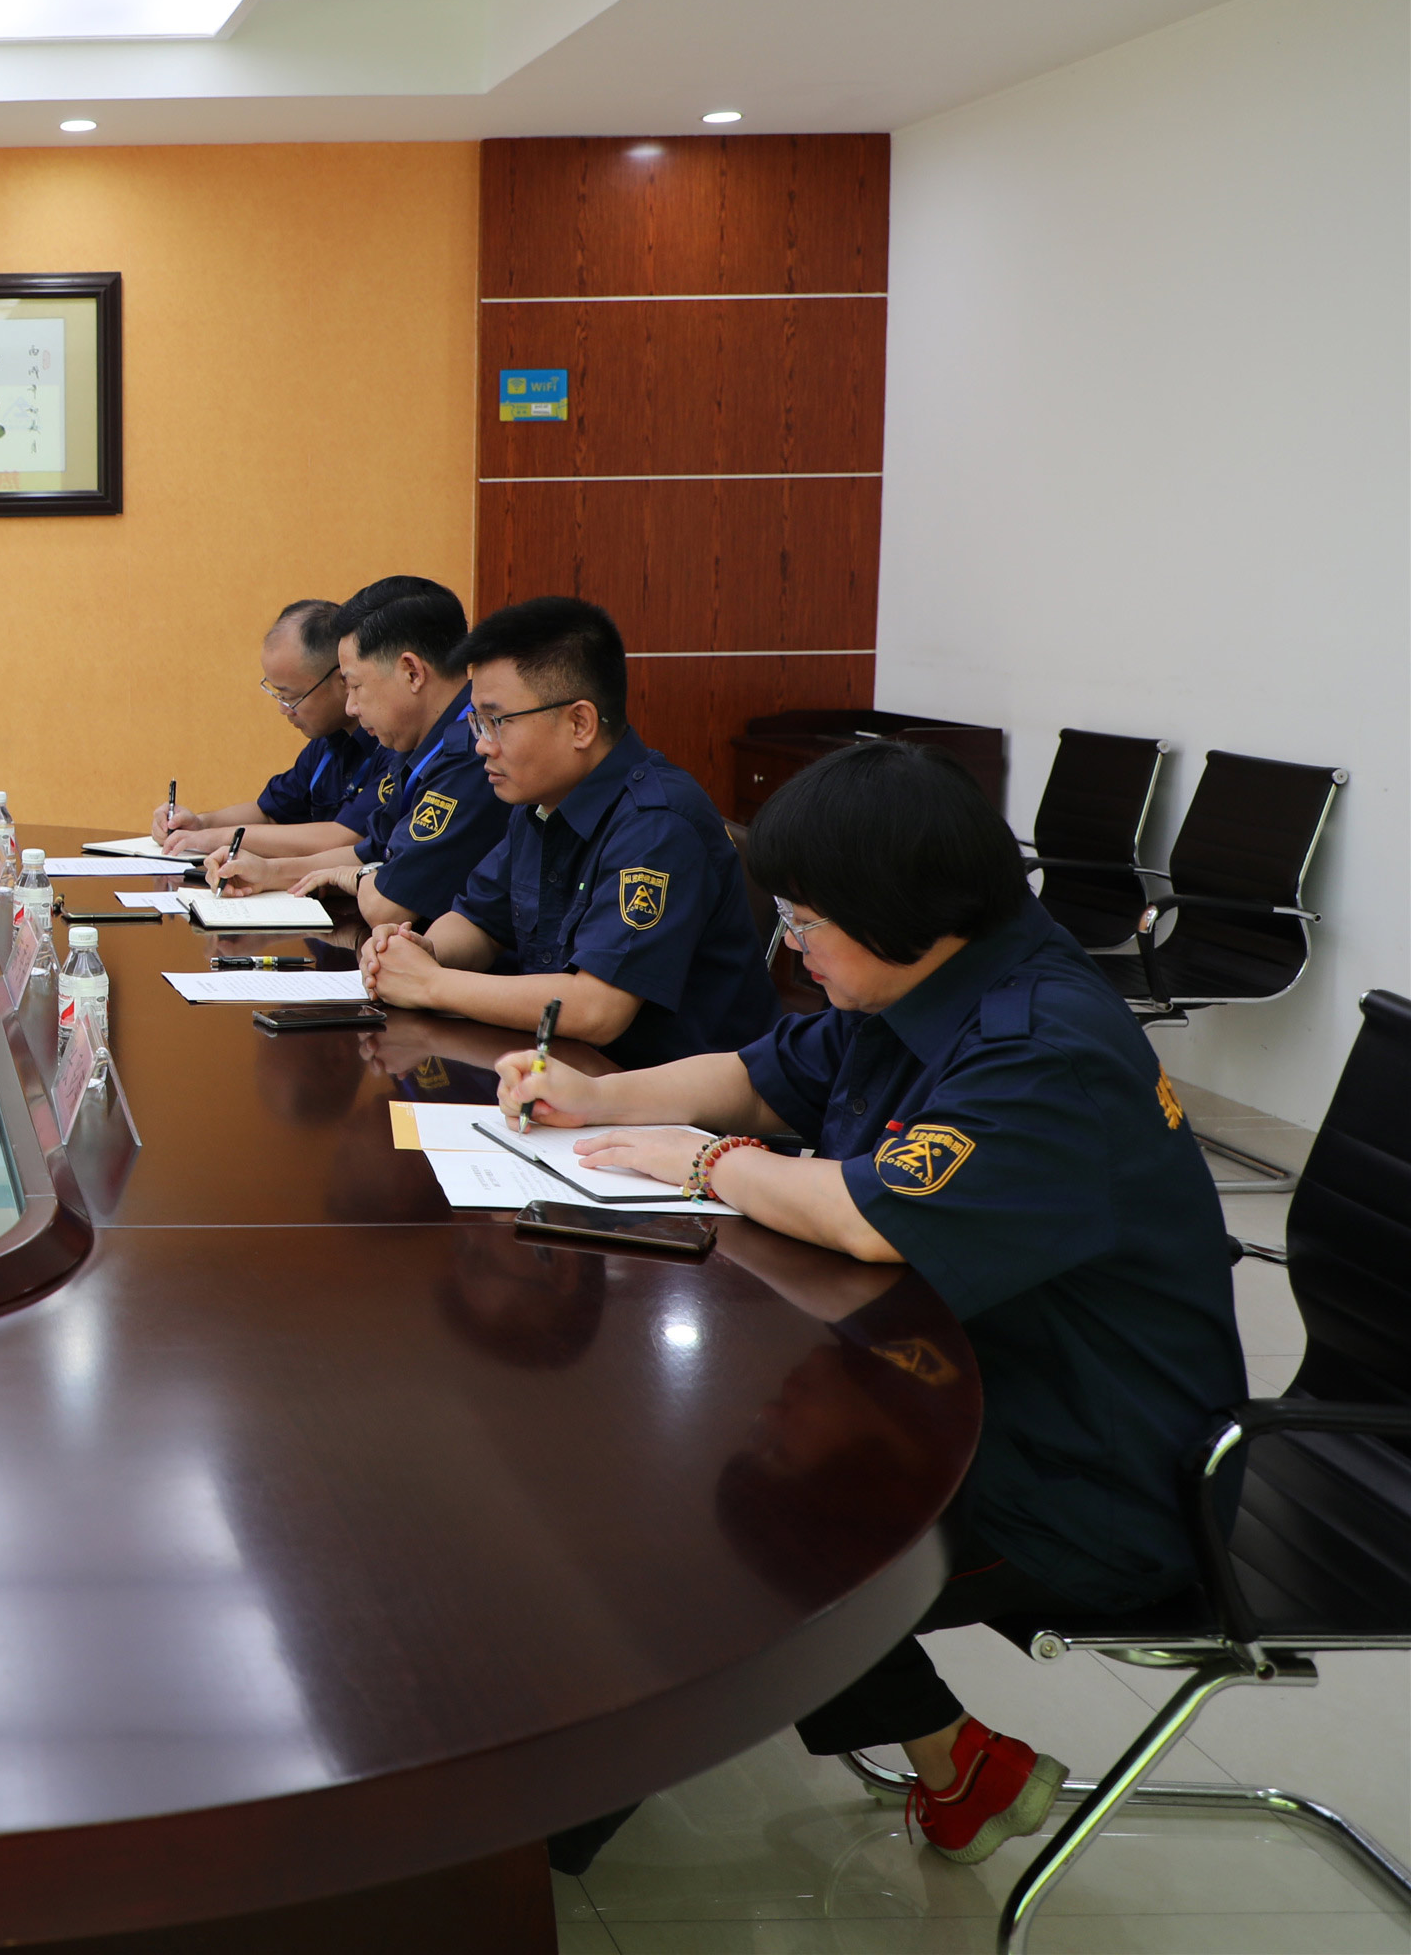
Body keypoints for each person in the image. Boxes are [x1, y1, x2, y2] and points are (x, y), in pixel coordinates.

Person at [496, 740, 1242, 1876]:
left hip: (1086, 1474)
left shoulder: (1040, 1044)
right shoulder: (921, 978)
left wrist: (709, 1163)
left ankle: (507, 1861)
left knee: (700, 1551)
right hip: (949, 1382)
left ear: (902, 910)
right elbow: (760, 1074)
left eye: (805, 919)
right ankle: (957, 1760)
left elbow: (868, 1218)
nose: (791, 943)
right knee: (671, 1476)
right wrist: (594, 1098)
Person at [362, 596, 781, 1066]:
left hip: (666, 1095)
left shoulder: (658, 825)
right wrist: (418, 951)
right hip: (562, 1072)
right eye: (477, 722)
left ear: (580, 723)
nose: (481, 745)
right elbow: (478, 921)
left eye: (497, 722)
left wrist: (432, 984)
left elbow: (597, 1010)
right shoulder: (540, 801)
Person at [211, 583, 510, 926]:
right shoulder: (415, 745)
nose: (351, 707)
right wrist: (268, 872)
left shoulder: (476, 755)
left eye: (355, 686)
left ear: (412, 673)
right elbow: (369, 851)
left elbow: (389, 904)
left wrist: (353, 877)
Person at [153, 599, 379, 859]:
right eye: (277, 694)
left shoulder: (390, 742)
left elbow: (343, 837)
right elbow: (270, 813)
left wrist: (218, 838)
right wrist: (201, 824)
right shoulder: (327, 744)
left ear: (343, 680)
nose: (284, 709)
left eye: (291, 697)